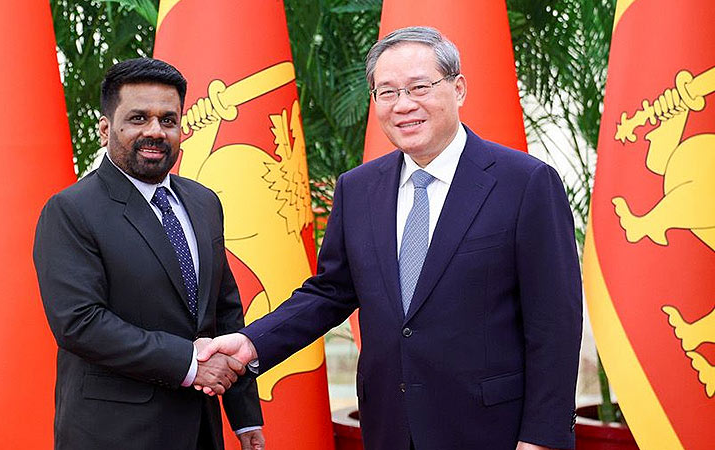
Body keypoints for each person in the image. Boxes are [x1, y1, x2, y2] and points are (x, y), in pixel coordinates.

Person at [197, 26, 582, 450]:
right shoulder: (358, 188)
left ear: (459, 89)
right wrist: (252, 342)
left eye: (419, 87)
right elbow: (330, 292)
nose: (404, 105)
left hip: (491, 430)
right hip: (390, 427)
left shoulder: (525, 183)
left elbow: (554, 324)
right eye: (387, 92)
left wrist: (542, 438)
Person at [33, 58, 264, 450]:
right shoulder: (71, 210)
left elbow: (225, 314)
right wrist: (191, 365)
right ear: (106, 129)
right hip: (114, 434)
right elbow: (79, 323)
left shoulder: (203, 202)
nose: (155, 131)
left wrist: (245, 420)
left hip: (201, 431)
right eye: (138, 118)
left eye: (168, 120)